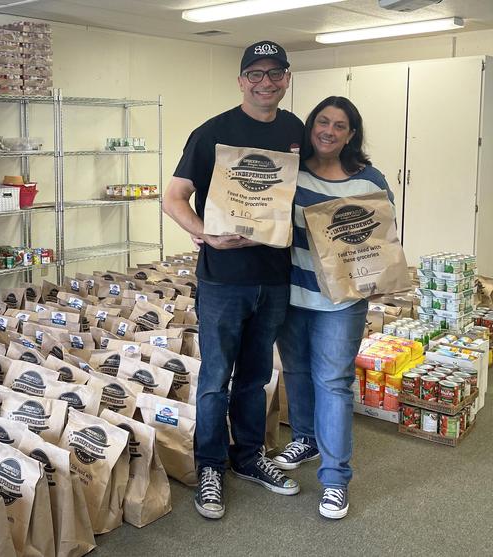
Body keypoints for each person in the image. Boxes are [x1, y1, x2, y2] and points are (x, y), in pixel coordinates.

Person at [163, 40, 303, 520]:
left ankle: (248, 457)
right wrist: (204, 233)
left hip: (275, 276)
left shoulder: (295, 130)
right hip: (224, 279)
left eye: (275, 73)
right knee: (215, 379)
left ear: (287, 78)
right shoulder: (213, 133)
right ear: (241, 80)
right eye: (256, 74)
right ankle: (209, 466)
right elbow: (174, 197)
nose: (266, 82)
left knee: (256, 376)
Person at [273, 96, 394, 520]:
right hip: (292, 293)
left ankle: (335, 480)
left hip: (341, 301)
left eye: (339, 125)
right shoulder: (292, 172)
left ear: (351, 134)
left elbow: (382, 239)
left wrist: (377, 278)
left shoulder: (369, 180)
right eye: (322, 122)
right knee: (297, 372)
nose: (329, 131)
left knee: (334, 382)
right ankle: (306, 438)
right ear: (311, 127)